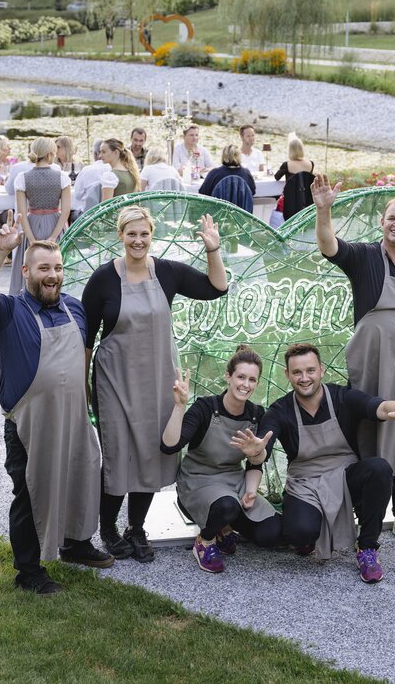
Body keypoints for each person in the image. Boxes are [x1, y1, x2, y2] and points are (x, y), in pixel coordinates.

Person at [0, 216, 110, 595]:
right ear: (27, 271)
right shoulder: (8, 312)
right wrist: (1, 249)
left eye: (58, 268)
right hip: (29, 423)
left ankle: (75, 543)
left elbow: (83, 355)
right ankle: (28, 571)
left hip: (74, 416)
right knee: (30, 491)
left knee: (81, 476)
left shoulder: (74, 309)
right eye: (44, 268)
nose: (53, 275)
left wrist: (86, 404)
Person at [83, 206, 228, 562]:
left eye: (144, 234)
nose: (138, 241)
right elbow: (86, 340)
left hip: (159, 380)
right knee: (118, 456)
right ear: (120, 236)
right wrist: (81, 388)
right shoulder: (103, 279)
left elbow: (217, 287)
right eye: (131, 234)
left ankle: (136, 528)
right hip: (114, 383)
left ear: (151, 235)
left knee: (150, 454)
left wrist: (213, 249)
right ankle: (108, 529)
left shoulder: (167, 272)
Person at [313, 176, 395, 550]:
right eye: (391, 218)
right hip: (371, 361)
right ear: (381, 223)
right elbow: (328, 246)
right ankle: (362, 515)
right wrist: (324, 210)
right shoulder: (365, 256)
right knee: (367, 431)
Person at [259, 343, 395, 583]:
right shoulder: (279, 410)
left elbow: (375, 406)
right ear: (287, 375)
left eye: (310, 370)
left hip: (345, 477)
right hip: (305, 484)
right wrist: (256, 452)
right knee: (299, 533)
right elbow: (263, 445)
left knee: (379, 469)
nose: (304, 378)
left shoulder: (342, 396)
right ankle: (310, 535)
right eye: (297, 372)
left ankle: (367, 547)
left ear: (321, 370)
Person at [160, 347, 284, 574]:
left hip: (234, 482)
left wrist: (252, 490)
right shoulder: (205, 408)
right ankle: (205, 541)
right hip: (198, 481)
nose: (245, 384)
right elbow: (169, 446)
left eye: (252, 379)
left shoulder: (257, 414)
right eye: (240, 377)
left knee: (271, 534)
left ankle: (224, 528)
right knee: (227, 505)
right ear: (228, 376)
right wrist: (180, 406)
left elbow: (256, 463)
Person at [10, 137, 71, 295]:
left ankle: (28, 299)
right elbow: (65, 211)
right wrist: (53, 236)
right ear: (51, 154)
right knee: (58, 264)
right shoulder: (62, 177)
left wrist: (31, 239)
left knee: (32, 265)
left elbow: (21, 213)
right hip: (55, 223)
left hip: (32, 224)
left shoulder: (22, 178)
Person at [274, 133, 315, 220]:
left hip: (291, 201)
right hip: (307, 200)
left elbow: (276, 177)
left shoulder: (287, 165)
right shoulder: (311, 164)